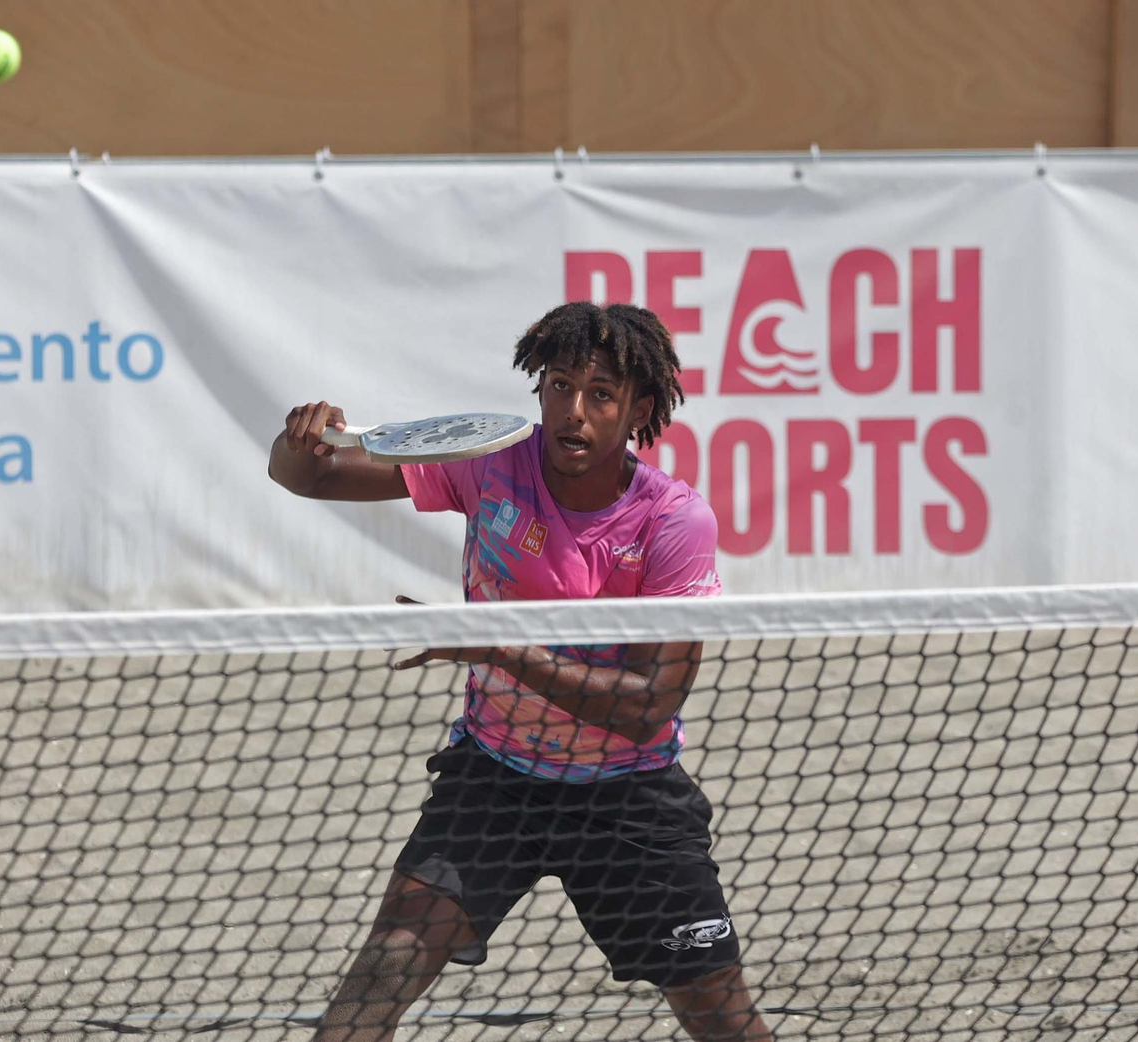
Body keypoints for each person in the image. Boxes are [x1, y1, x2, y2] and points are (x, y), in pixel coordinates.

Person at [268, 301, 773, 1042]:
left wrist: (498, 648)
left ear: (638, 409)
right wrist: (298, 444)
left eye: (601, 394)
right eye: (560, 385)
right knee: (383, 970)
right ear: (537, 389)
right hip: (495, 780)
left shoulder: (672, 521)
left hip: (629, 801)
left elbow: (648, 706)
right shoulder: (491, 463)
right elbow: (310, 480)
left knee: (722, 1021)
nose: (575, 410)